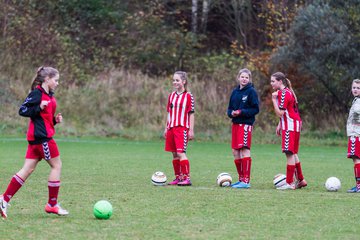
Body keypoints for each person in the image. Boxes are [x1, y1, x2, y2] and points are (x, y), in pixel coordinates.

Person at [0, 66, 69, 219]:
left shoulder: (49, 95)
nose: (57, 83)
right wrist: (38, 107)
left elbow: (43, 119)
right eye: (56, 80)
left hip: (37, 137)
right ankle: (52, 204)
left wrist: (54, 121)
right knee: (56, 166)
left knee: (27, 169)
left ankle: (4, 199)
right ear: (47, 79)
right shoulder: (37, 94)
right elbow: (22, 110)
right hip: (42, 138)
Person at [270, 72, 307, 190]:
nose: (271, 84)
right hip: (294, 125)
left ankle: (289, 183)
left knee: (289, 153)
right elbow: (288, 111)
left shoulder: (283, 93)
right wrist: (280, 124)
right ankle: (301, 180)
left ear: (280, 81)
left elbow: (280, 112)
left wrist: (274, 100)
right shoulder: (289, 92)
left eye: (273, 81)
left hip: (290, 127)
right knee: (293, 153)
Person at [227, 68, 259, 189]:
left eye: (246, 77)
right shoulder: (235, 92)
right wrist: (232, 113)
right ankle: (241, 179)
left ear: (249, 79)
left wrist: (241, 112)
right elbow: (229, 109)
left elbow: (255, 109)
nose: (244, 79)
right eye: (242, 77)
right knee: (235, 151)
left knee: (244, 149)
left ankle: (246, 180)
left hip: (245, 125)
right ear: (238, 78)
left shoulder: (251, 92)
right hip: (235, 125)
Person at [163, 71, 195, 186]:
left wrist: (191, 130)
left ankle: (187, 178)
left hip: (182, 128)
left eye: (177, 80)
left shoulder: (188, 96)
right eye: (174, 80)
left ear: (184, 82)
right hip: (171, 127)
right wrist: (166, 127)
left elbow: (191, 113)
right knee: (174, 154)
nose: (175, 82)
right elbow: (169, 113)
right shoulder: (171, 96)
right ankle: (178, 177)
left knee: (181, 153)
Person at [346, 79, 360, 193]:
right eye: (354, 87)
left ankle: (359, 186)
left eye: (358, 88)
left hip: (356, 135)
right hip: (355, 134)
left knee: (356, 159)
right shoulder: (356, 100)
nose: (355, 89)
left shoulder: (359, 102)